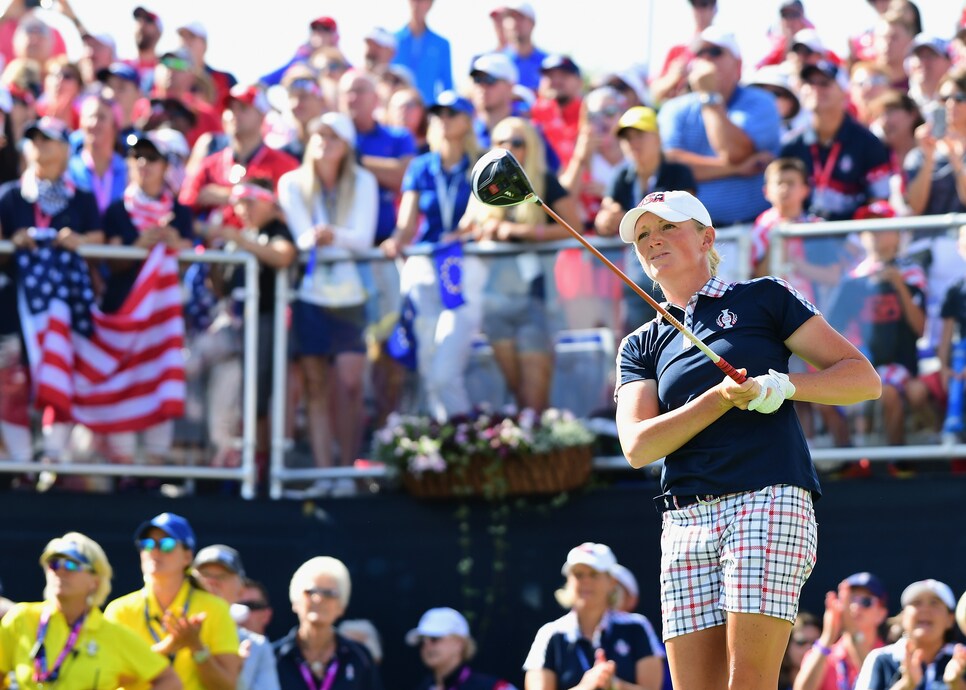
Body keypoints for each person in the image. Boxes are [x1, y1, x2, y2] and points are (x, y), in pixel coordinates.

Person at [613, 190, 881, 690]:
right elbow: (638, 446)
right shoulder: (640, 344)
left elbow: (862, 378)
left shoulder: (763, 297)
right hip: (685, 518)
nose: (653, 241)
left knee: (748, 682)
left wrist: (782, 385)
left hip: (767, 498)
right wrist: (717, 399)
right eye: (643, 235)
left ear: (707, 237)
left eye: (668, 227)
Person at [277, 112, 377, 476]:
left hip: (352, 296)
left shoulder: (363, 181)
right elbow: (304, 238)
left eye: (333, 136)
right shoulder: (291, 183)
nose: (323, 141)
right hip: (311, 296)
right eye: (318, 134)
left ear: (346, 145)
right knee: (316, 387)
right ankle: (324, 472)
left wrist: (332, 235)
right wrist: (333, 237)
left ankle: (347, 469)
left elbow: (361, 238)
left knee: (350, 386)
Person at [459, 117, 581, 412]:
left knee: (533, 394)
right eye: (501, 143)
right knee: (517, 392)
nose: (509, 149)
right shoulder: (484, 187)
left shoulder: (543, 180)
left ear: (531, 146)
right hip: (494, 298)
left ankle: (545, 447)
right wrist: (483, 231)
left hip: (535, 300)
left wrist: (521, 232)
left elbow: (573, 227)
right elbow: (463, 230)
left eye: (517, 143)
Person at [3, 117, 103, 467]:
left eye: (48, 140)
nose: (39, 147)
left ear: (65, 149)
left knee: (60, 376)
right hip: (18, 311)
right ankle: (20, 465)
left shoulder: (83, 198)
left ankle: (52, 464)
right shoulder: (10, 195)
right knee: (14, 384)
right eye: (34, 140)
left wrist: (82, 241)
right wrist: (9, 240)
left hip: (66, 310)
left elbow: (101, 237)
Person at [380, 90, 483, 421]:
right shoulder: (422, 165)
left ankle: (464, 441)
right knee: (428, 362)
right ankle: (449, 448)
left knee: (444, 366)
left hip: (464, 265)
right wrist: (395, 241)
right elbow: (406, 224)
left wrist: (466, 232)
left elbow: (480, 218)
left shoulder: (481, 163)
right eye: (438, 113)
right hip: (426, 265)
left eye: (452, 113)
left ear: (468, 120)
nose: (443, 119)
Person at [99, 131, 194, 472]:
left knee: (159, 381)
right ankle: (122, 469)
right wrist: (140, 245)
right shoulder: (115, 210)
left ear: (166, 166)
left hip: (163, 319)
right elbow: (112, 263)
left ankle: (154, 471)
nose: (143, 164)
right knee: (122, 387)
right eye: (136, 156)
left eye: (152, 158)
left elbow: (191, 259)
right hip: (122, 317)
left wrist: (174, 243)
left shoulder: (180, 213)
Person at [0, 532, 182, 689]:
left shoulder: (113, 635)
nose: (60, 571)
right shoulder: (21, 618)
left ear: (95, 581)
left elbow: (169, 681)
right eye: (54, 564)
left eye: (71, 564)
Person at [826, 203, 929, 449]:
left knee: (890, 392)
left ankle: (897, 463)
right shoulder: (852, 279)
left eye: (880, 226)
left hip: (901, 364)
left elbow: (920, 328)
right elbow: (832, 327)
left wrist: (899, 284)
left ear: (896, 234)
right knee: (821, 400)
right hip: (864, 362)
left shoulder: (911, 273)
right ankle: (849, 461)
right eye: (867, 227)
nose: (873, 233)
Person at [658, 27, 781, 226]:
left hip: (749, 230)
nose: (706, 59)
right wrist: (737, 168)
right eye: (700, 53)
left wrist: (710, 98)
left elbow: (735, 151)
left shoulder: (761, 103)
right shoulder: (674, 108)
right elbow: (673, 165)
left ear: (738, 66)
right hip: (688, 232)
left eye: (715, 52)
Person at [104, 512, 241, 690]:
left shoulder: (215, 609)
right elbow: (107, 678)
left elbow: (227, 686)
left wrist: (197, 647)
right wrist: (165, 649)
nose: (154, 551)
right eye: (147, 544)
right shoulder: (119, 610)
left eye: (166, 545)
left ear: (187, 556)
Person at [594, 105, 696, 332]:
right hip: (639, 280)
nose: (633, 143)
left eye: (639, 135)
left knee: (687, 342)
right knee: (645, 347)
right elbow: (605, 218)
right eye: (627, 138)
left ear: (657, 137)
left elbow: (687, 216)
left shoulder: (678, 172)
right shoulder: (621, 176)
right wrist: (606, 220)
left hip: (679, 277)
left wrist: (624, 218)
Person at [523, 542, 665, 690]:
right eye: (578, 575)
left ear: (612, 582)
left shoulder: (637, 627)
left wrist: (616, 685)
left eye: (594, 574)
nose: (585, 581)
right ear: (568, 581)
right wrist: (586, 687)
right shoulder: (549, 633)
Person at [780, 60, 892, 221]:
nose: (815, 89)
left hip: (852, 237)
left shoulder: (868, 143)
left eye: (824, 83)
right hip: (801, 236)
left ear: (844, 92)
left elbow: (879, 202)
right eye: (809, 82)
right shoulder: (791, 146)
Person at [179, 84, 298, 228]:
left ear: (262, 115)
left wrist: (231, 195)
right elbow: (185, 204)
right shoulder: (210, 164)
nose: (233, 115)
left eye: (243, 108)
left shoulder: (284, 165)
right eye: (230, 108)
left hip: (261, 246)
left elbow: (289, 210)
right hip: (214, 247)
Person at [273, 556, 383, 690]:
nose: (318, 599)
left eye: (329, 593)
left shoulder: (359, 657)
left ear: (342, 607)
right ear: (295, 601)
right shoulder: (274, 656)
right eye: (310, 591)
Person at [192, 544, 280, 690]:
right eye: (205, 574)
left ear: (240, 590)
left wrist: (235, 676)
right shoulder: (168, 628)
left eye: (222, 576)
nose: (212, 582)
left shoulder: (257, 647)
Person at [854, 579, 966, 690]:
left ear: (950, 619)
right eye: (916, 603)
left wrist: (957, 685)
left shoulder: (962, 660)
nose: (925, 609)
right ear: (903, 616)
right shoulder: (880, 659)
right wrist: (906, 685)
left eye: (934, 603)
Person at [794, 572, 889, 690]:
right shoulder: (823, 653)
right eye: (851, 599)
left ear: (881, 614)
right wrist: (827, 637)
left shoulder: (889, 656)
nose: (855, 607)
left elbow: (882, 685)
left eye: (866, 601)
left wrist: (852, 630)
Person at [904, 68, 966, 217]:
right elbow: (916, 206)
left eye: (959, 98)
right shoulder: (920, 153)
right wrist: (929, 158)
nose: (951, 104)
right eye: (944, 98)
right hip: (927, 237)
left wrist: (956, 162)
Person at [409, 607, 518, 690]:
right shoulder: (422, 686)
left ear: (459, 643)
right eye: (422, 640)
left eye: (435, 638)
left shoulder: (494, 687)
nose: (427, 646)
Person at [67, 95, 127, 217]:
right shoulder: (68, 169)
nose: (94, 123)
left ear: (115, 126)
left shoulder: (128, 171)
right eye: (90, 117)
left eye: (101, 117)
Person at [650, 0, 717, 106]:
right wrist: (674, 76)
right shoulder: (678, 50)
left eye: (704, 4)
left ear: (714, 9)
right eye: (695, 5)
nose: (699, 10)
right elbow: (655, 94)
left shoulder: (725, 52)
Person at [391, 0, 452, 103]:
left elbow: (447, 85)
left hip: (427, 110)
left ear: (430, 4)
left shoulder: (441, 44)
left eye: (422, 1)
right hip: (397, 109)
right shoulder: (393, 40)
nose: (417, 4)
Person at [492, 2, 546, 92]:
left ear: (532, 23)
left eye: (521, 17)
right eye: (510, 17)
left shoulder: (549, 62)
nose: (515, 22)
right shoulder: (495, 62)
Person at [780, 612, 822, 690]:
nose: (810, 648)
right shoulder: (772, 683)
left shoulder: (835, 681)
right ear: (787, 645)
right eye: (801, 642)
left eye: (816, 643)